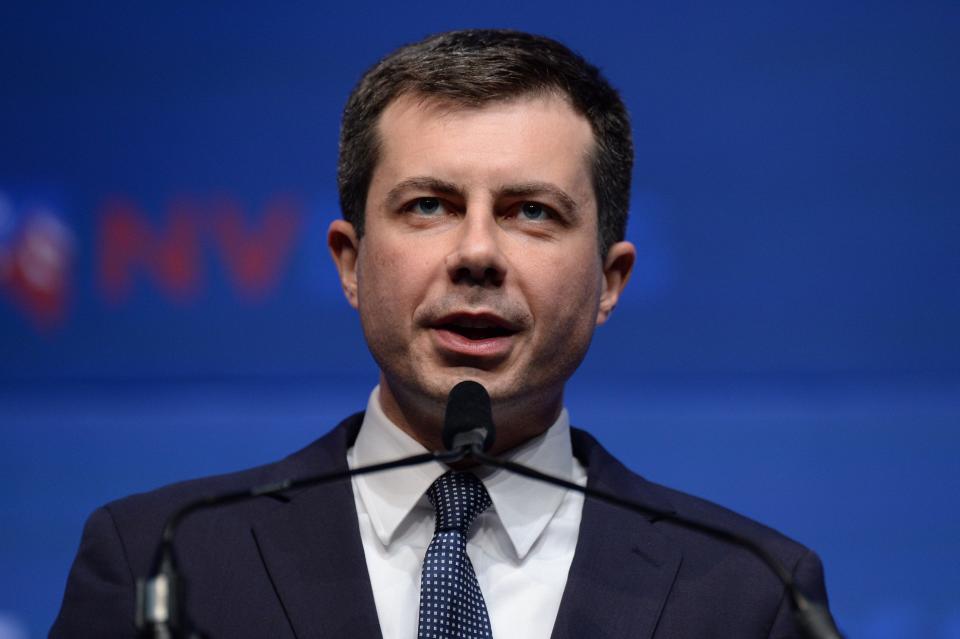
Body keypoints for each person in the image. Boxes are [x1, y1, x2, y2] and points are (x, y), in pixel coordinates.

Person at [51, 29, 831, 638]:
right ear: (351, 262)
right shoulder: (163, 555)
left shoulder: (751, 590)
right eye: (428, 205)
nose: (478, 253)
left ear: (610, 281)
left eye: (533, 211)